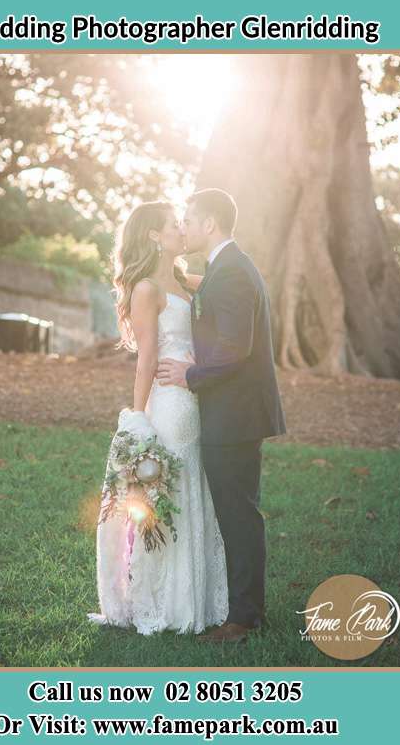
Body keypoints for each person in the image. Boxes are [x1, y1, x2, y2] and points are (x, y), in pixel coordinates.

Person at [87, 201, 228, 635]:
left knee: (191, 492)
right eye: (173, 226)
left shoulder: (188, 282)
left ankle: (194, 597)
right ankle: (164, 601)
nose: (181, 231)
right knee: (168, 498)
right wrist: (137, 418)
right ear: (154, 236)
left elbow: (231, 285)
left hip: (197, 395)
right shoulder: (148, 288)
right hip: (170, 403)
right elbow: (146, 357)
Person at [157, 188, 286, 643]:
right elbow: (209, 305)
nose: (184, 227)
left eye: (189, 220)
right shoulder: (225, 269)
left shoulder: (231, 272)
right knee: (238, 512)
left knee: (237, 516)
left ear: (209, 223)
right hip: (234, 412)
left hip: (234, 415)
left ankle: (243, 619)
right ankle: (244, 610)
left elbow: (235, 348)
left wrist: (189, 373)